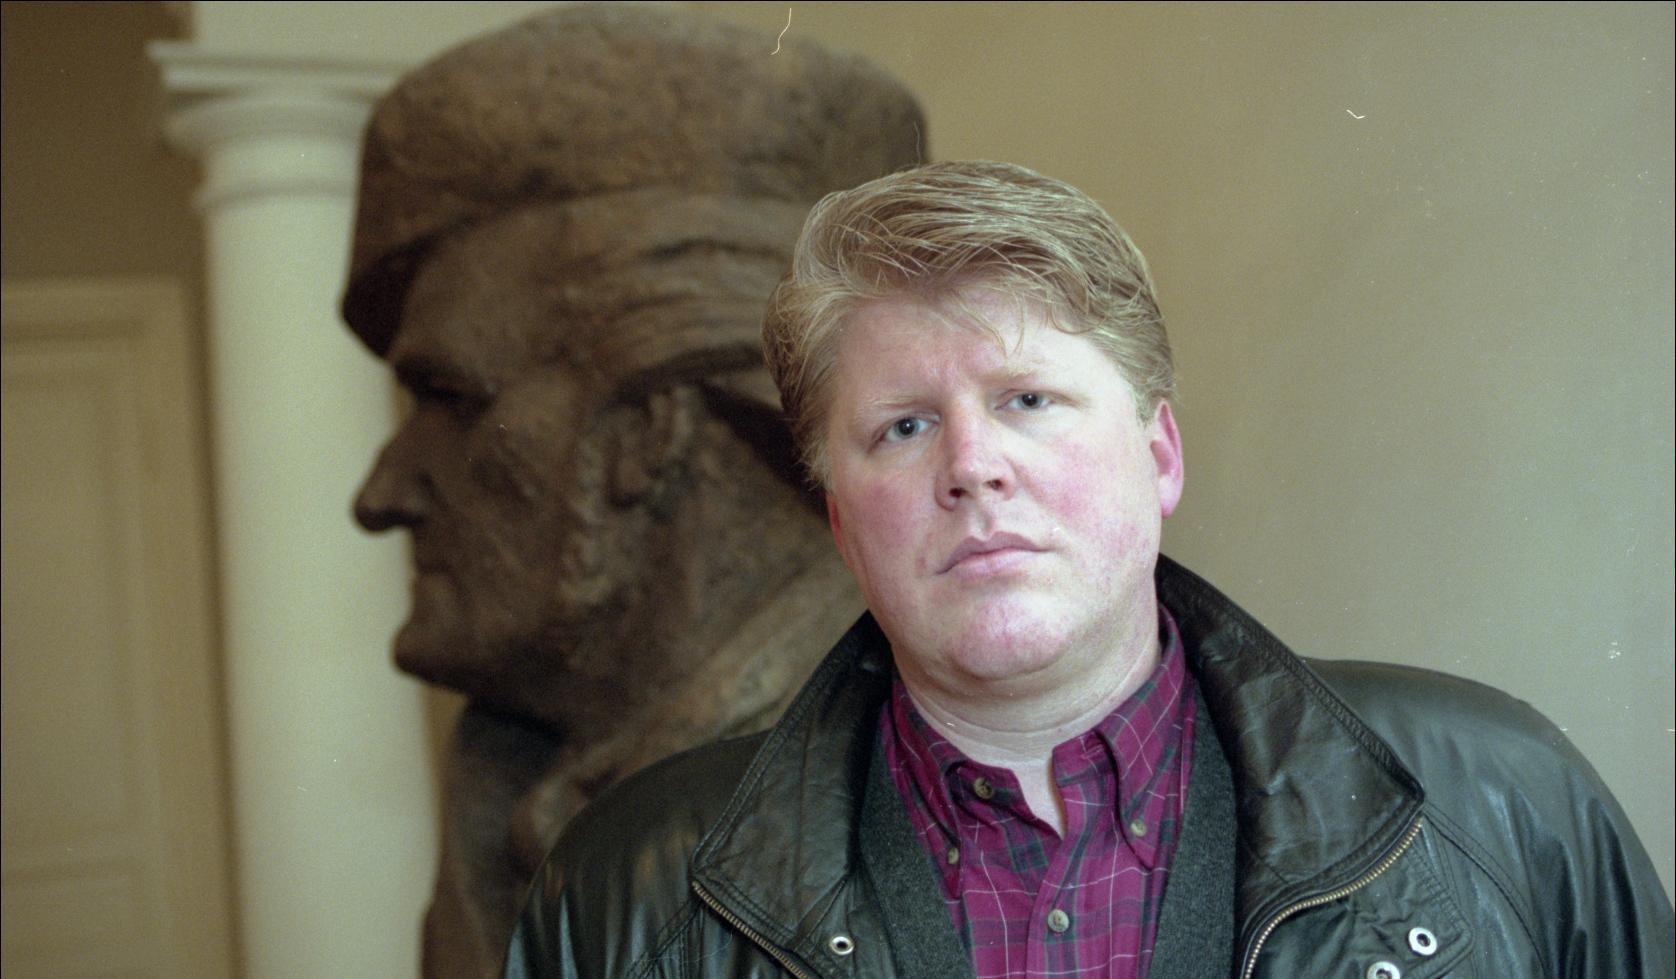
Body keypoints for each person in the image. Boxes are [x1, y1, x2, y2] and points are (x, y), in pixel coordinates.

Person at [503, 161, 1675, 978]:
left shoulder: (1497, 803)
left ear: (1157, 454)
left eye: (1027, 399)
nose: (972, 466)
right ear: (839, 523)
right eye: (902, 426)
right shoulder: (628, 892)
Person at [340, 6, 923, 976]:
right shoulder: (510, 767)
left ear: (644, 433)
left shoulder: (910, 773)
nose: (381, 494)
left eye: (450, 399)